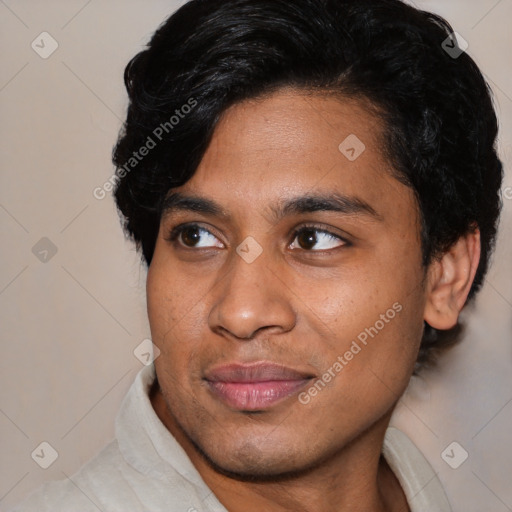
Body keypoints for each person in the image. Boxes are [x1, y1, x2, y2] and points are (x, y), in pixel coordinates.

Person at [11, 0, 503, 510]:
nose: (241, 313)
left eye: (314, 239)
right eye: (197, 236)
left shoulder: (412, 486)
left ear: (444, 276)